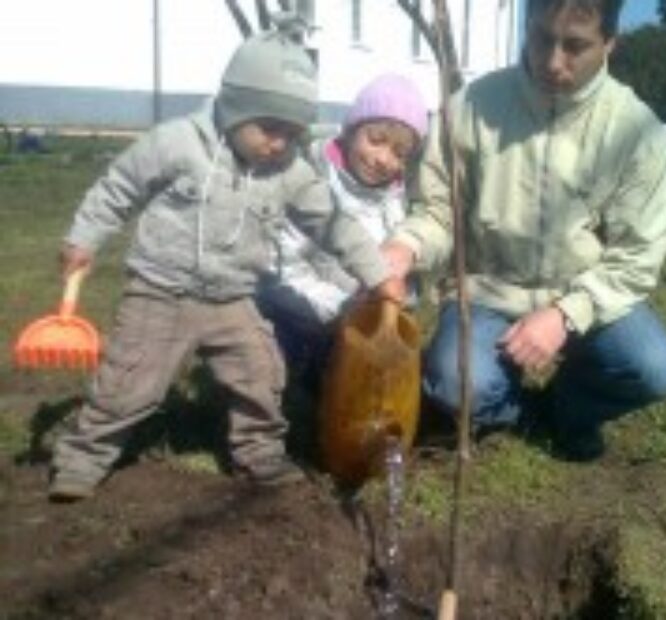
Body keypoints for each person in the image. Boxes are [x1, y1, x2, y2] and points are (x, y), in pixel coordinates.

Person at [48, 28, 401, 502]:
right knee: (128, 384)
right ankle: (81, 458)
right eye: (269, 129)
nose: (279, 144)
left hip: (232, 298)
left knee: (261, 373)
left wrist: (377, 274)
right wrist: (83, 238)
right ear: (235, 107)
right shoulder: (176, 143)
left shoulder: (292, 173)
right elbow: (118, 188)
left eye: (292, 134)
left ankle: (259, 454)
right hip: (160, 291)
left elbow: (335, 226)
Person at [383, 0, 666, 461]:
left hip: (584, 292)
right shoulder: (470, 109)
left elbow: (638, 255)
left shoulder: (636, 133)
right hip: (488, 291)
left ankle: (567, 409)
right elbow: (439, 213)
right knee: (455, 383)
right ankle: (512, 409)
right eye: (542, 37)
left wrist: (566, 314)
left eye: (575, 46)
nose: (551, 61)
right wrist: (406, 246)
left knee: (655, 369)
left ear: (609, 43)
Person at [257, 73, 428, 376]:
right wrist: (343, 309)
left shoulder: (396, 198)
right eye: (375, 141)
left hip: (365, 317)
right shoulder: (311, 184)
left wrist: (401, 296)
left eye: (399, 153)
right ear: (350, 131)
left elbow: (403, 271)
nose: (383, 159)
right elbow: (286, 267)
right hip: (306, 311)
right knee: (278, 356)